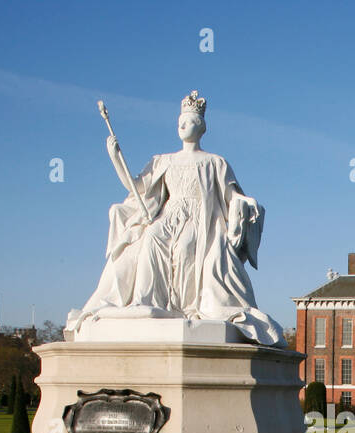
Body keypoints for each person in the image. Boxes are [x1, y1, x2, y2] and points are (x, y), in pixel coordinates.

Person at [67, 90, 285, 346]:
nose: (183, 125)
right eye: (180, 120)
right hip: (170, 216)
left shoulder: (215, 162)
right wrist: (116, 158)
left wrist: (246, 204)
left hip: (199, 220)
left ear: (201, 126)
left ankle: (184, 306)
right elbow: (137, 187)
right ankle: (145, 301)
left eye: (189, 120)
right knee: (150, 237)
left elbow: (232, 196)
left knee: (185, 248)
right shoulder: (163, 160)